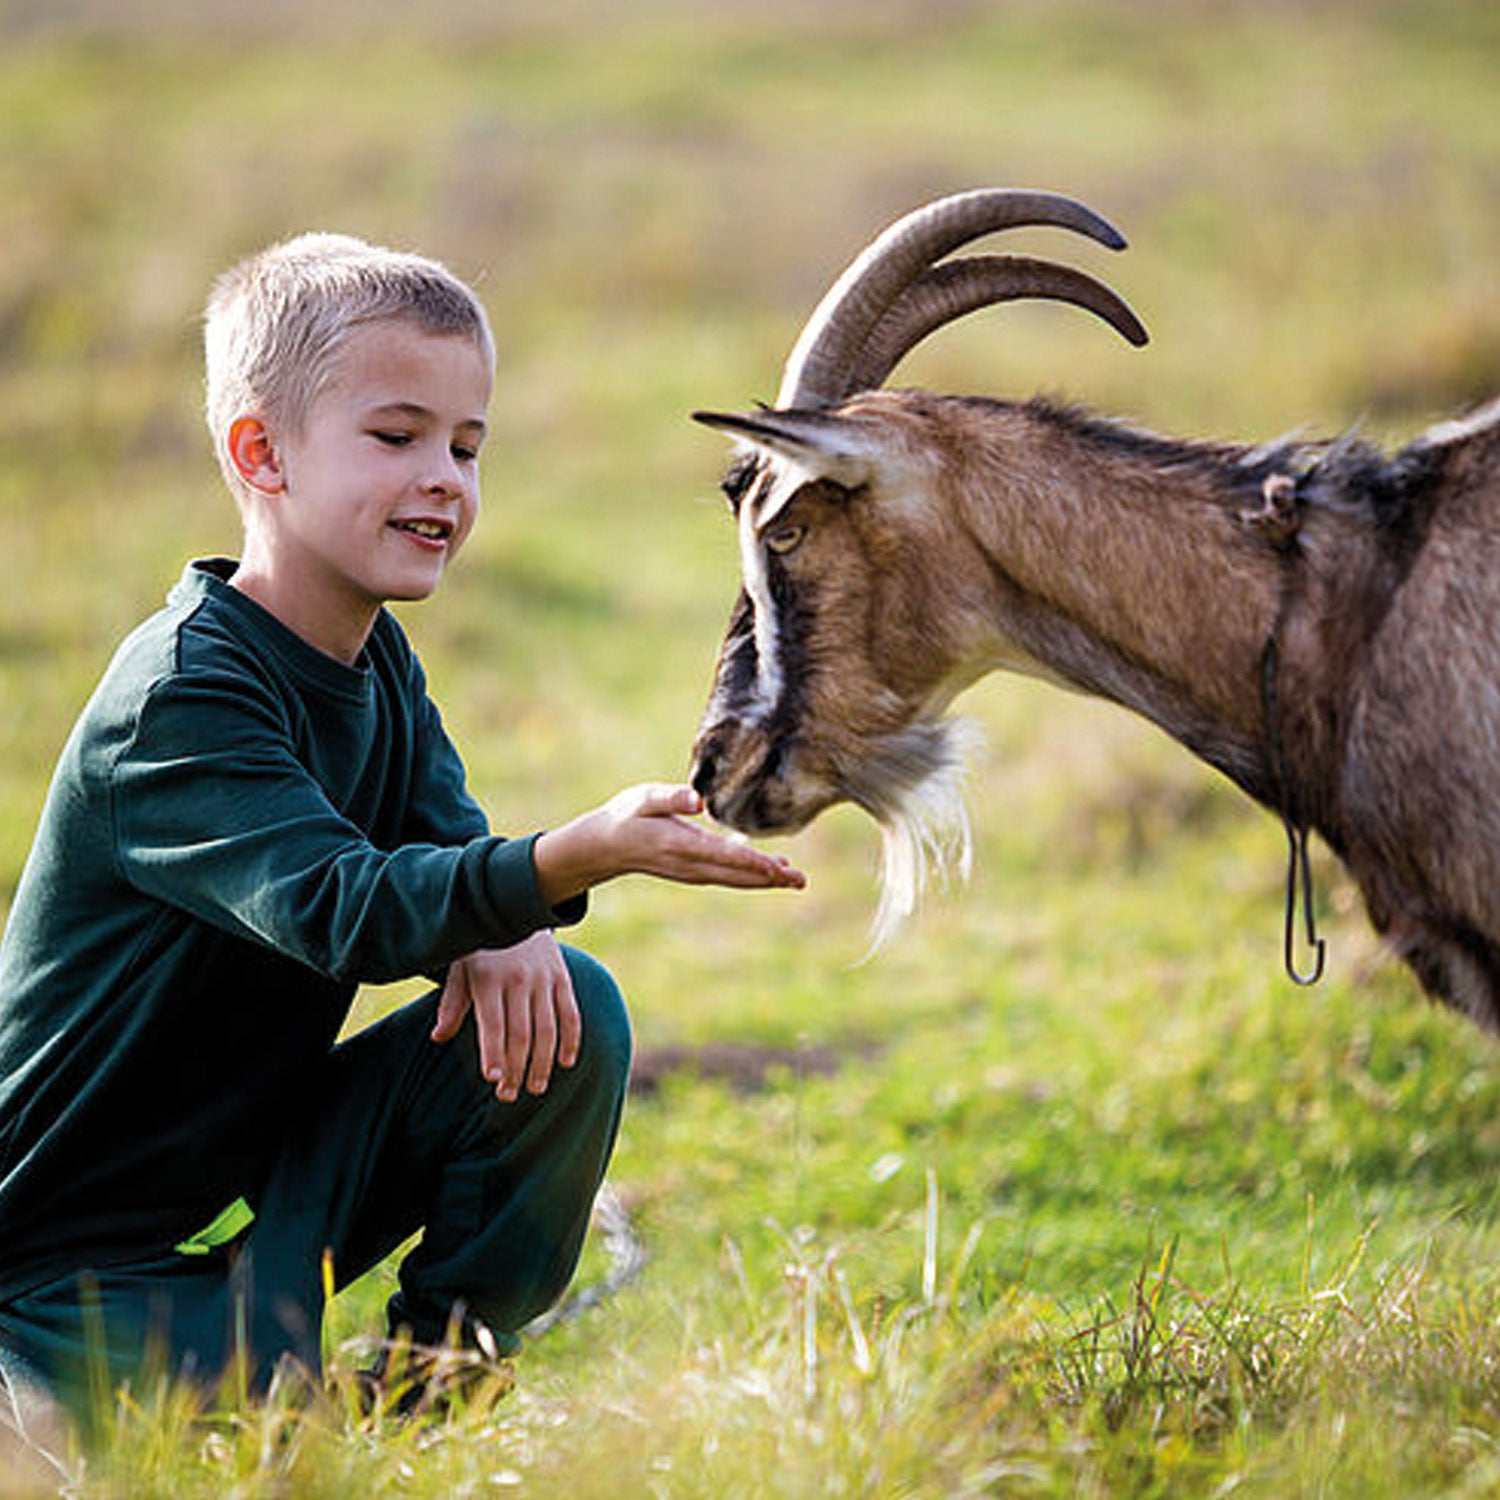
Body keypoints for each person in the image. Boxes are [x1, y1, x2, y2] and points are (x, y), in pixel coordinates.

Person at [0, 232, 804, 1441]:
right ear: (259, 453)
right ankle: (221, 1380)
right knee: (233, 1433)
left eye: (468, 446)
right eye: (398, 437)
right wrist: (570, 858)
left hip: (256, 1187)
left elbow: (446, 850)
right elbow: (346, 907)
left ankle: (437, 1391)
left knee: (562, 1011)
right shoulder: (180, 702)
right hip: (53, 1264)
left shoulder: (378, 664)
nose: (446, 478)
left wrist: (507, 925)